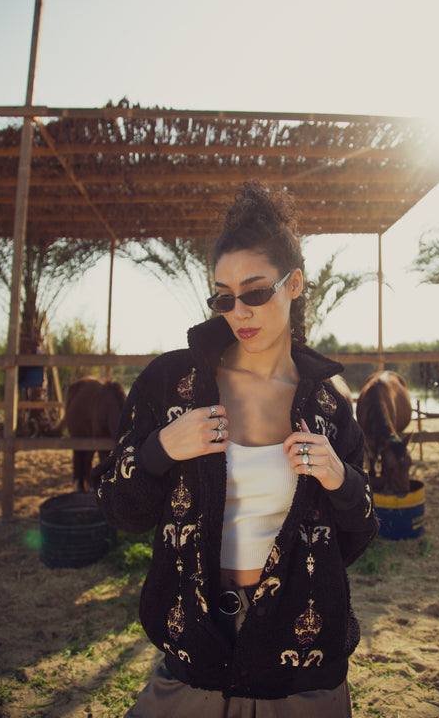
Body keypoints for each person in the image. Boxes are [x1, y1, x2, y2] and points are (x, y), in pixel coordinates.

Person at [93, 180, 378, 717]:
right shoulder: (171, 383)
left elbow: (358, 534)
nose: (239, 310)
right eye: (223, 296)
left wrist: (342, 479)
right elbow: (117, 507)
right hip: (193, 651)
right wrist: (159, 450)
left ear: (294, 284)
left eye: (255, 291)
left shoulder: (328, 401)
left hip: (300, 664)